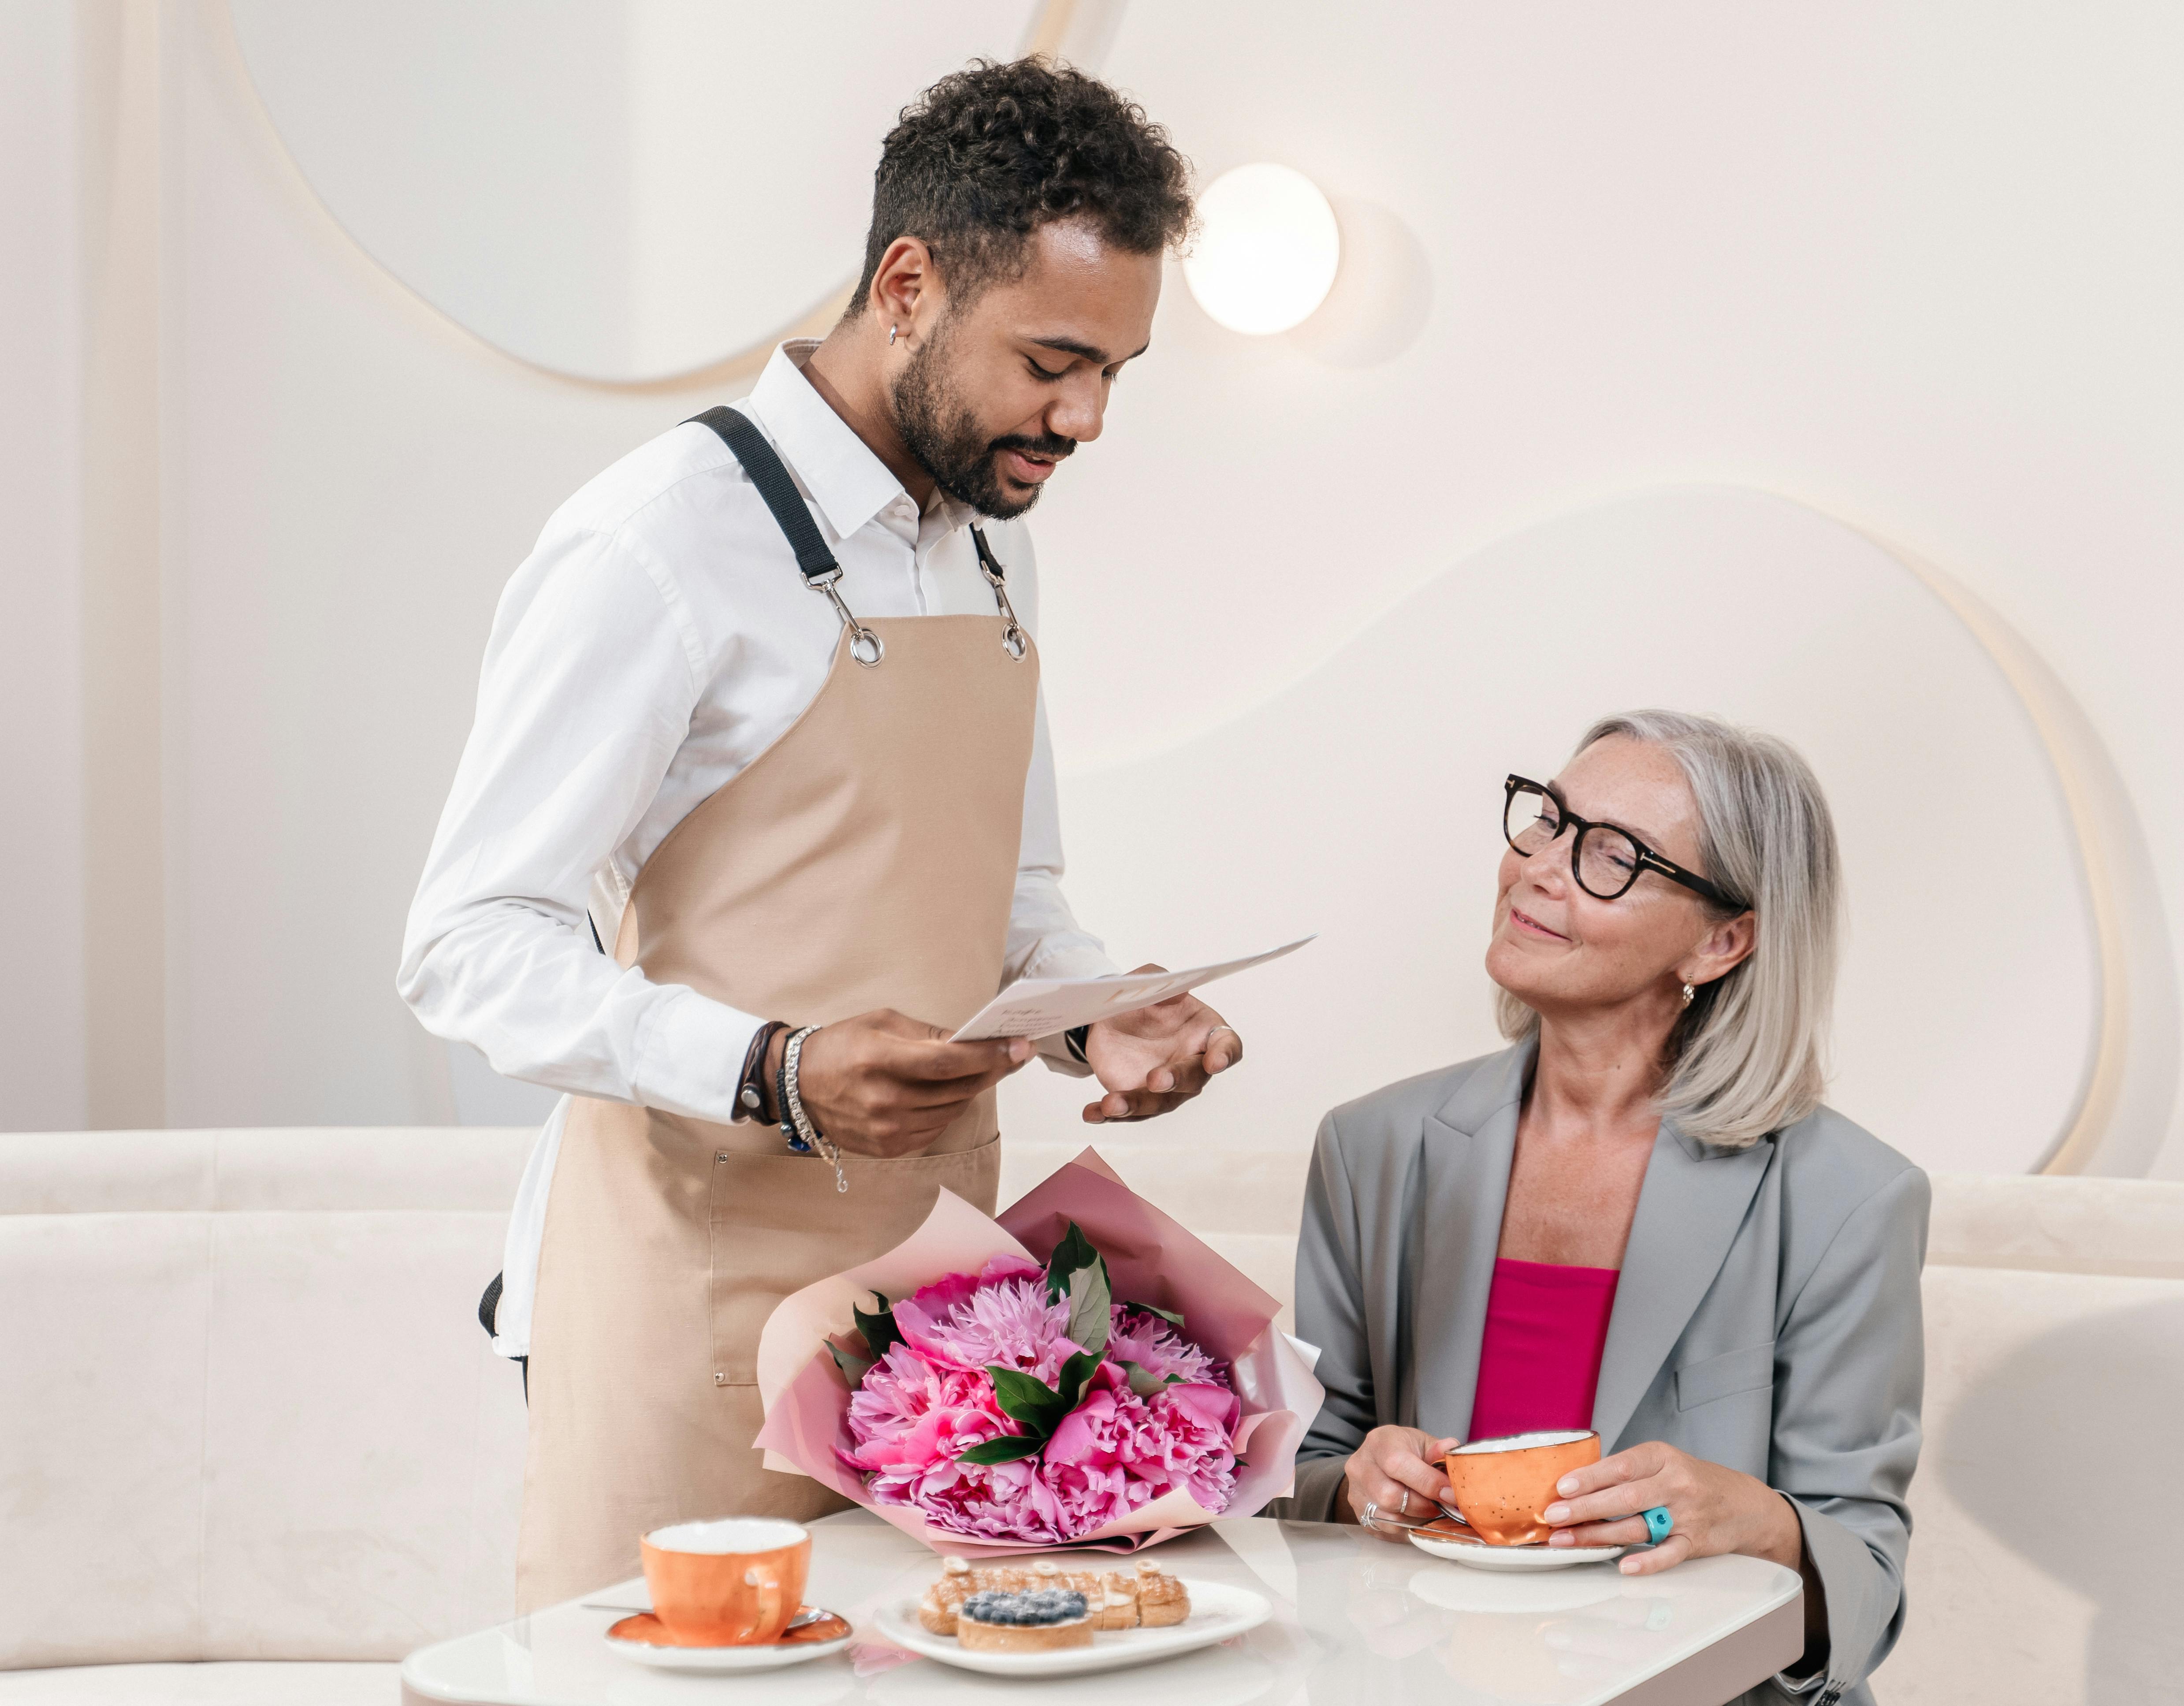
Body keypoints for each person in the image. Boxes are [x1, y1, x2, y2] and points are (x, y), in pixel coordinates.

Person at [399, 59, 1241, 1611]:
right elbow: (465, 947)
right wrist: (774, 1067)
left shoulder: (990, 553)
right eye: (1054, 360)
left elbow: (1011, 891)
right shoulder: (660, 543)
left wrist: (1098, 1012)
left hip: (930, 1299)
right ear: (907, 284)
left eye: (1118, 371)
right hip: (687, 1297)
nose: (1087, 418)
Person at [1274, 710, 1926, 1706]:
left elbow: (1865, 1586)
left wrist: (1754, 1519)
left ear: (1720, 942)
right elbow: (1308, 1474)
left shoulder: (1846, 1195)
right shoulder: (1373, 1146)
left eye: (1611, 856)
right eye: (1547, 819)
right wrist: (1358, 1483)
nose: (1538, 866)